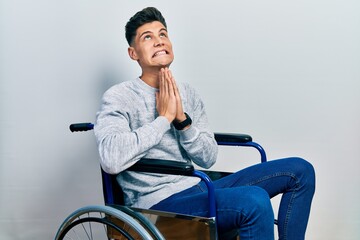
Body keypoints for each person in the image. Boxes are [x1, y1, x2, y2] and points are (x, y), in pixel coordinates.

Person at [94, 7, 315, 240]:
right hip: (158, 202)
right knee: (254, 200)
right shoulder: (119, 96)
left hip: (198, 186)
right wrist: (164, 119)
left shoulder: (188, 93)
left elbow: (208, 158)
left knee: (300, 171)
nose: (159, 41)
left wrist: (182, 121)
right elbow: (111, 159)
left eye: (163, 34)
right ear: (133, 53)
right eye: (147, 37)